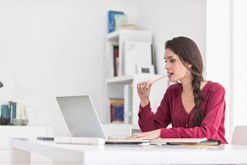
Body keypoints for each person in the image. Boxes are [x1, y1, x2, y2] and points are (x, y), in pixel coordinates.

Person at [130, 36, 228, 144]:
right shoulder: (172, 92)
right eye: (166, 61)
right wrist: (144, 100)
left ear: (189, 62)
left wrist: (162, 133)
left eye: (172, 60)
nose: (166, 66)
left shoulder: (215, 91)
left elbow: (207, 133)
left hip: (215, 158)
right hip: (184, 158)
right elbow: (150, 132)